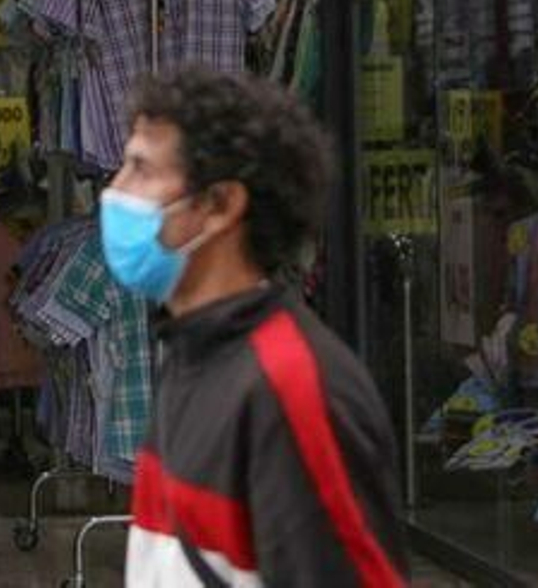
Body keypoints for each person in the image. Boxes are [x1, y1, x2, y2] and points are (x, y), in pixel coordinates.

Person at [105, 67, 408, 587]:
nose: (115, 191)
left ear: (220, 204)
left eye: (141, 169)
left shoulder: (290, 386)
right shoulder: (191, 350)